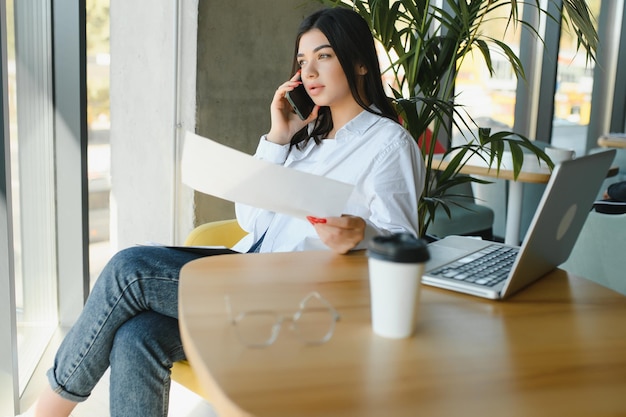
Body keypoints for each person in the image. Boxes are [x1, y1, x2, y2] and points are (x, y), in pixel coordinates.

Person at [20, 7, 425, 417]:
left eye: (323, 56)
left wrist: (362, 234)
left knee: (130, 269)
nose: (309, 72)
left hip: (296, 301)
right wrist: (277, 137)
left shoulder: (389, 145)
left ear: (359, 62)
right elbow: (251, 221)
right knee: (137, 334)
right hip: (247, 272)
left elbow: (407, 247)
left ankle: (48, 411)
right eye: (302, 62)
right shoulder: (306, 140)